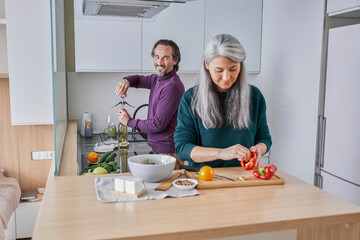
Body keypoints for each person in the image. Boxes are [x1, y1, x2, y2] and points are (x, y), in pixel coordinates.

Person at [174, 34, 271, 169]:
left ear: (241, 66)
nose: (226, 77)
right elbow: (182, 148)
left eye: (233, 69)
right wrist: (221, 153)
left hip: (244, 178)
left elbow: (264, 138)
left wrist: (259, 149)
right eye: (219, 70)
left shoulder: (255, 96)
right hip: (205, 178)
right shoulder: (191, 98)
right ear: (206, 65)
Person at [115, 39, 185, 168]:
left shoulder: (172, 86)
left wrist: (129, 121)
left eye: (165, 58)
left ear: (175, 60)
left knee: (168, 187)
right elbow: (139, 79)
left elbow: (157, 124)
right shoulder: (158, 79)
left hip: (168, 152)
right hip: (159, 149)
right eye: (157, 57)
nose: (159, 62)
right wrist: (126, 81)